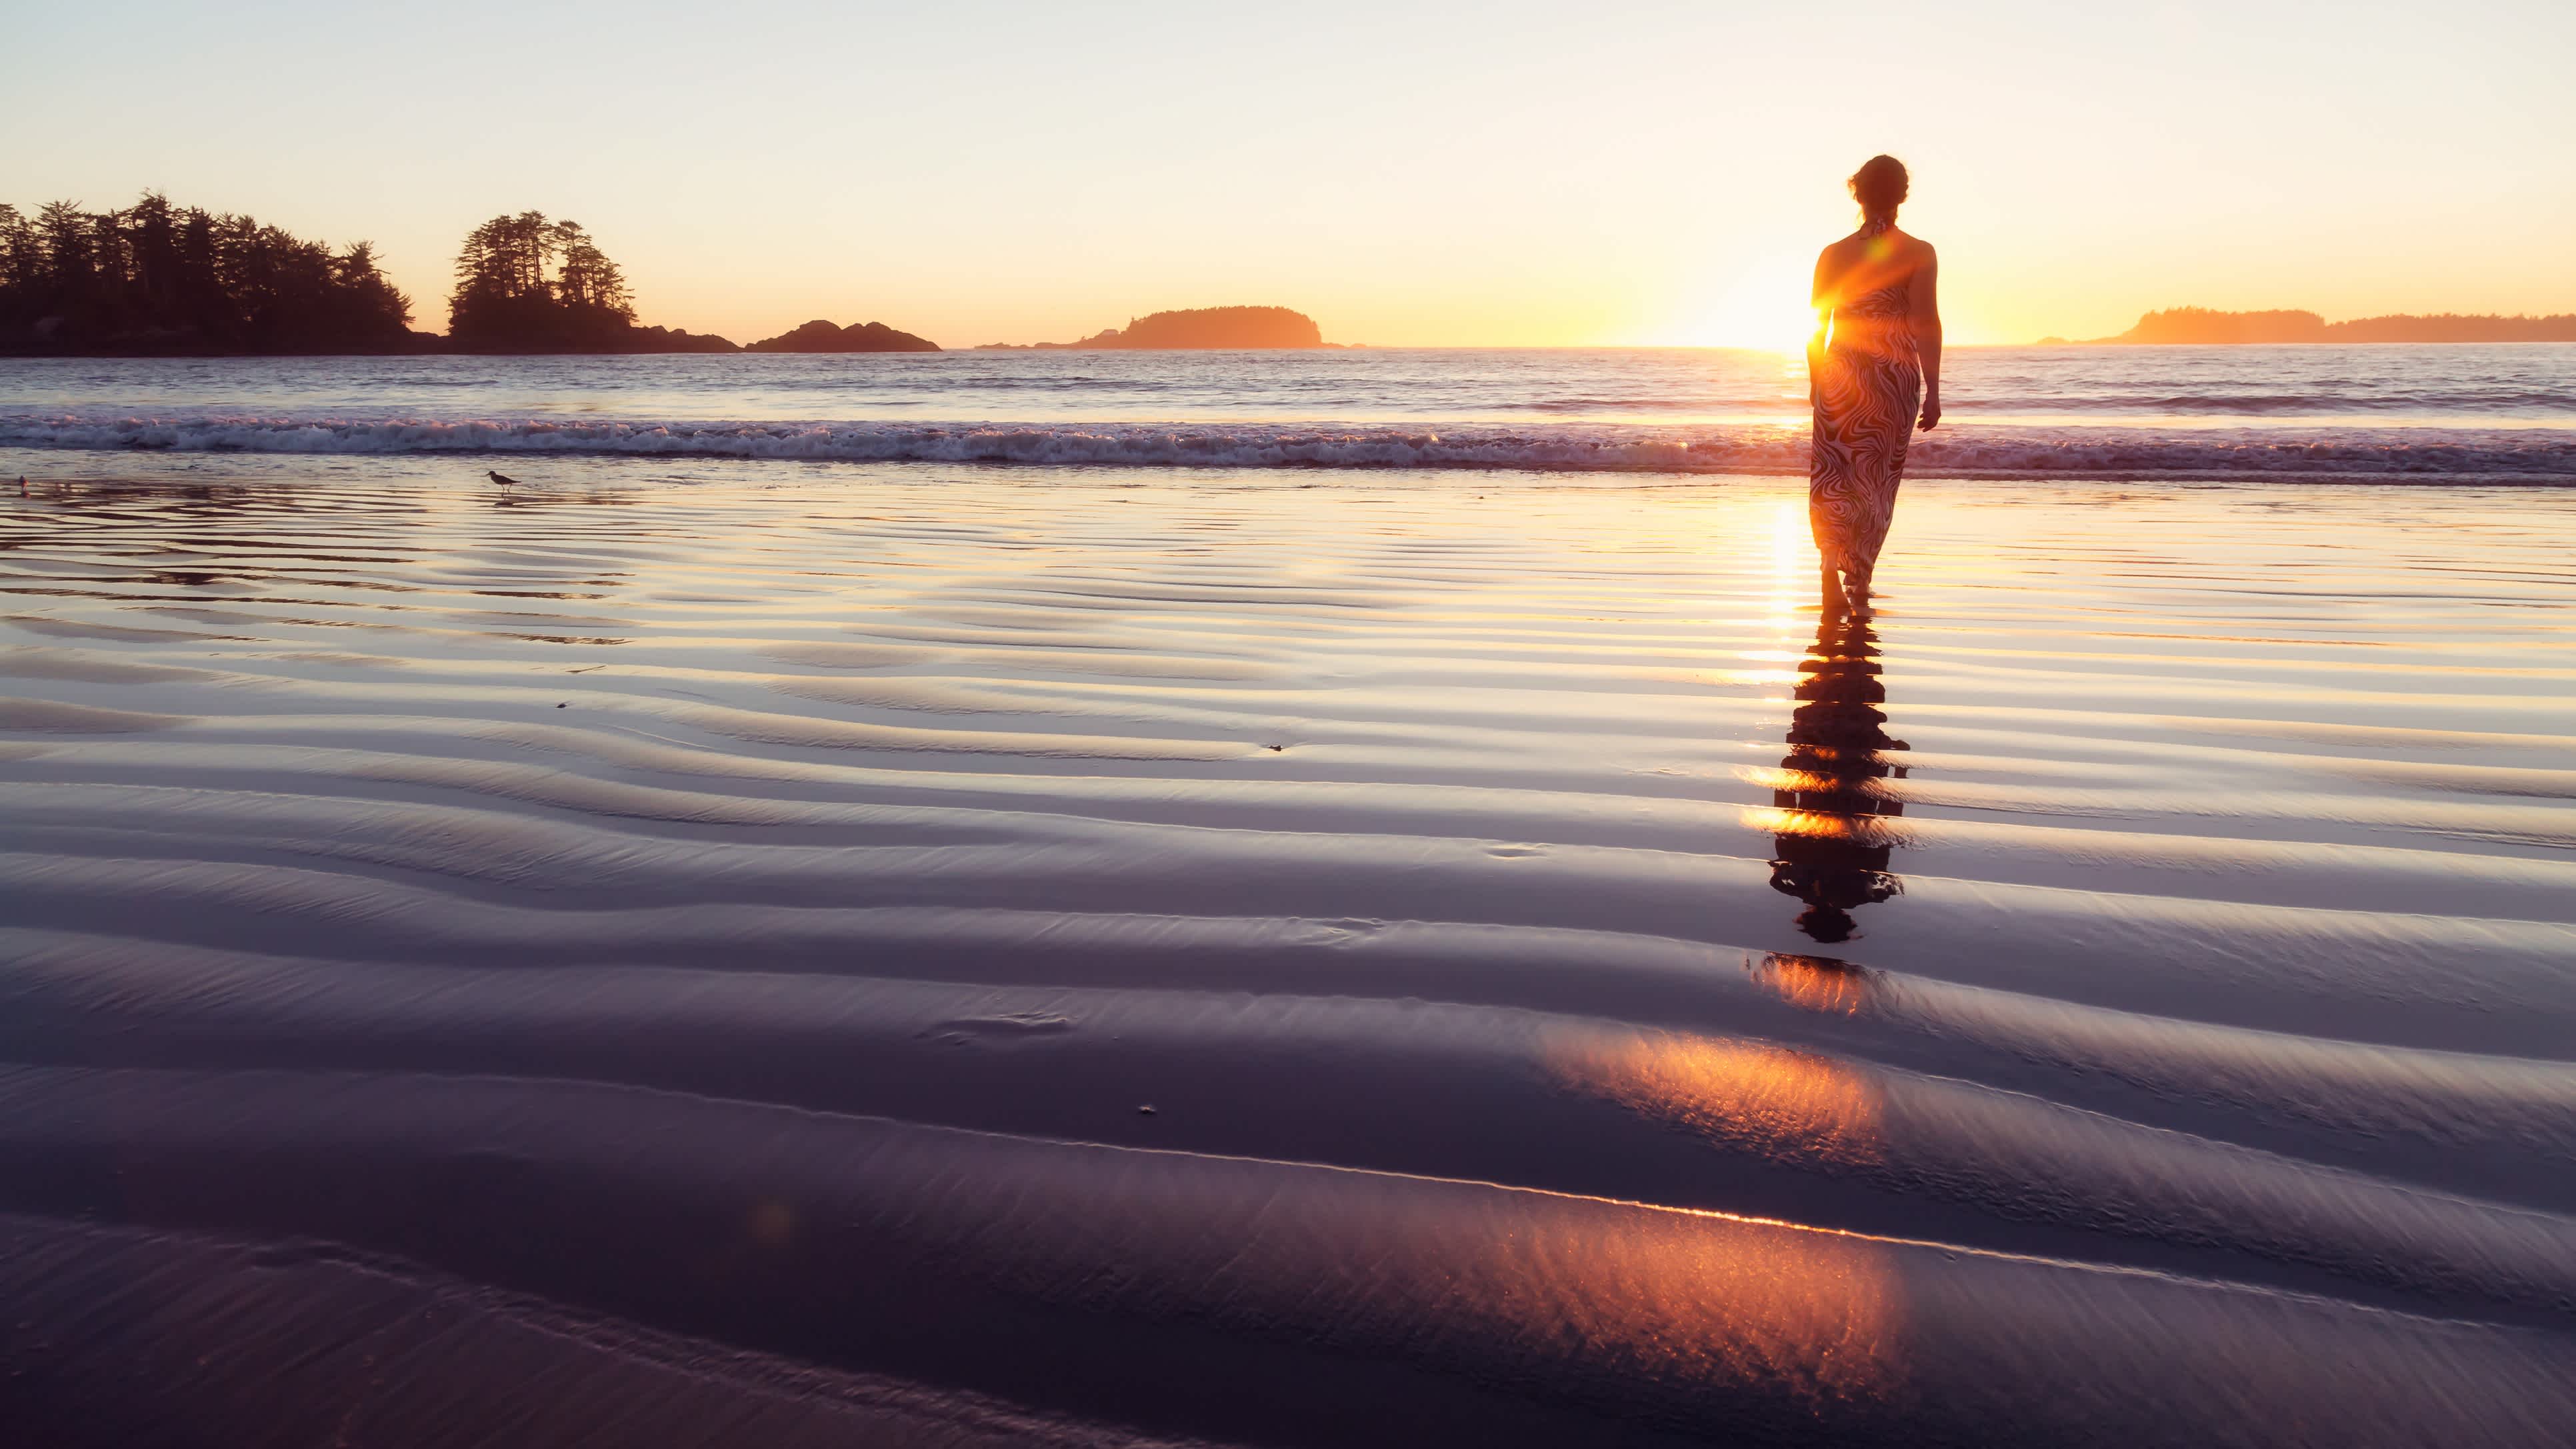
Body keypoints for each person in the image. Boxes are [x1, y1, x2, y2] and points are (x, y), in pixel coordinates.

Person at [1807, 154, 1941, 617]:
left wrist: (1815, 384)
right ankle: (1859, 577)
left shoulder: (1833, 254)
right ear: (1903, 195)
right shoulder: (1919, 252)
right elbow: (1925, 322)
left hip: (1838, 374)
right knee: (1875, 482)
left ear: (1857, 194)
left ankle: (1829, 564)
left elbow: (1816, 327)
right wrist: (1934, 388)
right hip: (1892, 380)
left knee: (1833, 475)